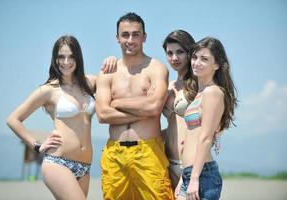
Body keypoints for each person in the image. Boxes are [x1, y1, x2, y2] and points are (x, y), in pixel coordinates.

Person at [6, 35, 115, 200]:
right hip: (58, 163)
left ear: (78, 57)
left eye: (71, 56)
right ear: (54, 60)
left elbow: (116, 78)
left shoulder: (90, 83)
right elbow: (13, 119)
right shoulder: (48, 90)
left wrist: (113, 59)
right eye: (61, 57)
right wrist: (37, 146)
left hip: (84, 166)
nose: (66, 61)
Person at [95, 12, 174, 200]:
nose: (130, 40)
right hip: (115, 154)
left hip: (148, 152)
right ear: (117, 38)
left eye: (136, 34)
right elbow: (103, 114)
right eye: (125, 35)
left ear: (144, 37)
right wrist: (143, 111)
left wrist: (118, 103)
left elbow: (154, 107)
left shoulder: (156, 68)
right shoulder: (108, 72)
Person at [176, 37, 237, 200]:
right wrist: (184, 177)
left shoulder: (213, 92)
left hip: (202, 175)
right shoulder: (199, 94)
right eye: (195, 57)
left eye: (204, 59)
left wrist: (194, 178)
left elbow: (205, 139)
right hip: (190, 173)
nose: (196, 63)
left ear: (216, 65)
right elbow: (192, 137)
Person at [162, 30, 196, 189]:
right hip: (167, 163)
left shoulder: (199, 86)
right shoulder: (167, 87)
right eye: (170, 53)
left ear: (190, 53)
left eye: (180, 52)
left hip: (192, 165)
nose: (174, 58)